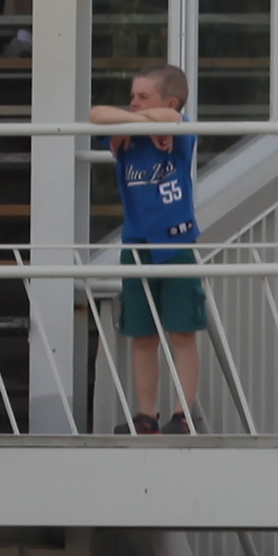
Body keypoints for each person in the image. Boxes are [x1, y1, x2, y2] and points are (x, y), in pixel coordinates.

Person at [92, 59, 212, 432]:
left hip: (175, 243)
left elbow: (175, 122)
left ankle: (182, 413)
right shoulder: (126, 131)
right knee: (142, 336)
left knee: (181, 332)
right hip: (137, 244)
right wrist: (137, 124)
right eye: (132, 97)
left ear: (170, 102)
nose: (134, 104)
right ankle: (146, 416)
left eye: (143, 97)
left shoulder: (177, 131)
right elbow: (95, 113)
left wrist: (146, 124)